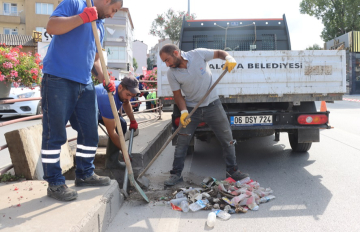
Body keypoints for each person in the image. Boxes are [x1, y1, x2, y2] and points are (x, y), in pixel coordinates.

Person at [41, 0, 123, 201]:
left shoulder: (100, 26)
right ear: (106, 0)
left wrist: (104, 77)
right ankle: (54, 183)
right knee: (54, 134)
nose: (112, 14)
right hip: (58, 79)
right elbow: (52, 27)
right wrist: (82, 17)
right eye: (113, 9)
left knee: (89, 132)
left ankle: (85, 174)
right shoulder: (75, 4)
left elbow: (94, 59)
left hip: (84, 83)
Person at [159, 44, 249, 186]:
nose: (166, 64)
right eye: (164, 61)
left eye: (167, 60)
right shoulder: (172, 73)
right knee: (182, 142)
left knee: (227, 139)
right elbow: (177, 95)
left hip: (213, 105)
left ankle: (232, 171)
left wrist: (229, 58)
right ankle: (176, 174)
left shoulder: (198, 54)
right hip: (191, 110)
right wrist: (183, 112)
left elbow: (219, 52)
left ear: (176, 53)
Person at [96, 77, 140, 169]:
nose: (129, 98)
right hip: (90, 112)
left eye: (131, 96)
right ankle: (86, 171)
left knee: (122, 124)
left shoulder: (123, 88)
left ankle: (112, 162)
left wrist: (133, 120)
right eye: (128, 94)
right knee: (91, 137)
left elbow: (126, 102)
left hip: (103, 111)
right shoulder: (108, 97)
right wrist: (124, 152)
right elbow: (112, 133)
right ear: (120, 87)